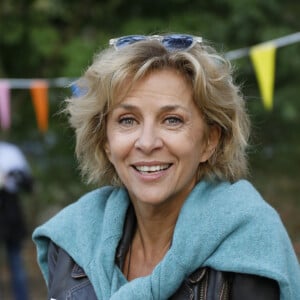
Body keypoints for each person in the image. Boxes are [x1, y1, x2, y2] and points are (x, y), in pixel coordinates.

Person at [32, 34, 300, 299]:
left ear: (209, 140)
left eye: (172, 120)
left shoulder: (250, 243)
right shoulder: (71, 239)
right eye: (127, 120)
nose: (147, 143)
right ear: (105, 142)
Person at [0, 141, 33, 300]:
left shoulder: (11, 152)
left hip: (11, 214)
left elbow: (28, 184)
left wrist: (13, 176)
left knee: (16, 263)